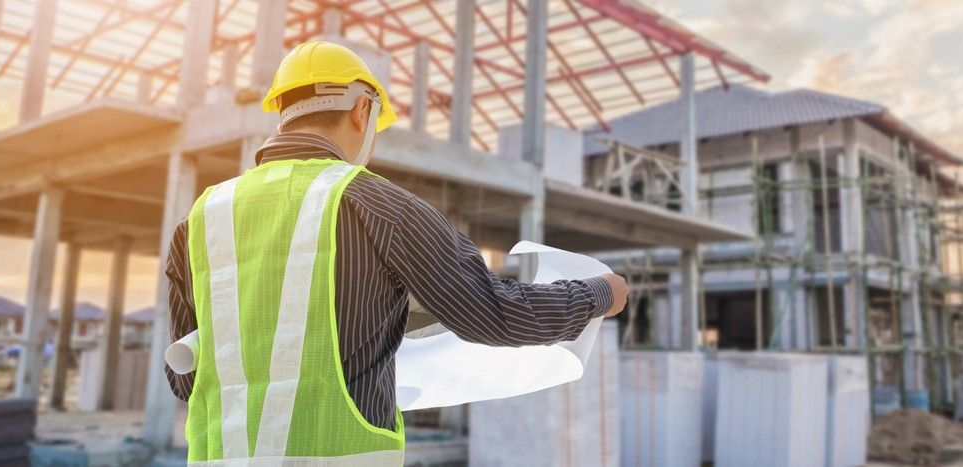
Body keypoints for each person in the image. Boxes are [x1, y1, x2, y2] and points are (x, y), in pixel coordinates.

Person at [164, 40, 628, 465]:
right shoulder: (383, 209)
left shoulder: (201, 221)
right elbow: (494, 314)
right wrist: (597, 294)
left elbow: (186, 379)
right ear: (362, 110)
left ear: (282, 112)